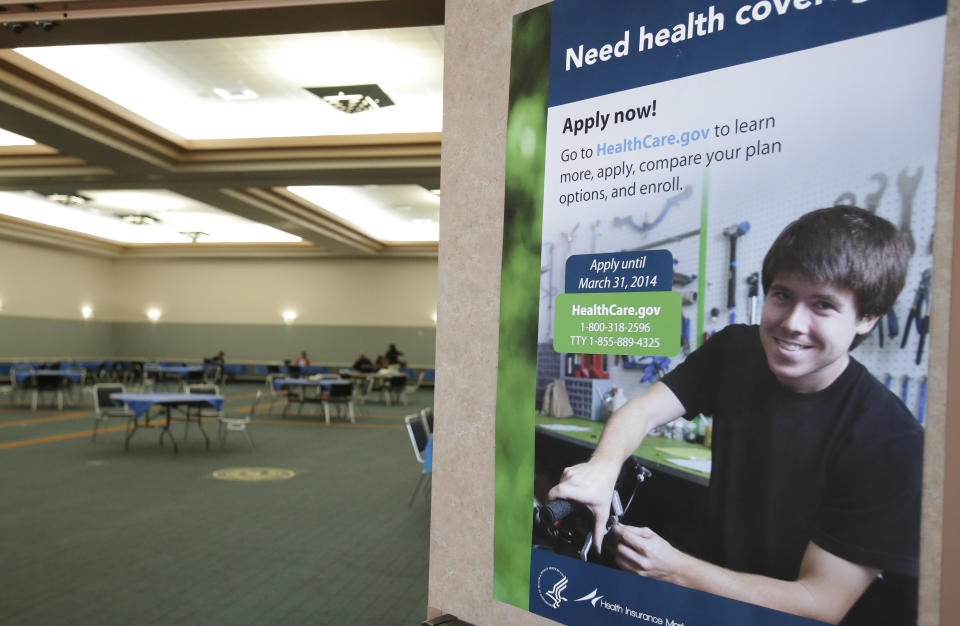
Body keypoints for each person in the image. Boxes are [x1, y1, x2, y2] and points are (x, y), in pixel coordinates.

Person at [548, 206, 922, 625]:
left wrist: (675, 567)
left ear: (867, 319)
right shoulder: (737, 351)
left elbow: (819, 602)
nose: (793, 323)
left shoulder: (891, 441)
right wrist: (602, 467)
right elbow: (642, 409)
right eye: (783, 296)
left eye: (823, 306)